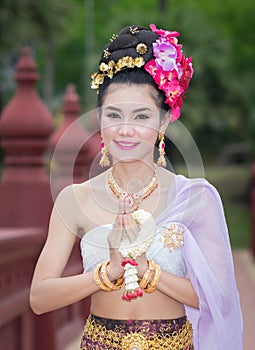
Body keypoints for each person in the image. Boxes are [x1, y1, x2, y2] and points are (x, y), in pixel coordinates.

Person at [30, 24, 243, 350]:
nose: (125, 131)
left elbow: (220, 298)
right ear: (99, 119)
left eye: (141, 117)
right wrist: (108, 272)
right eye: (114, 115)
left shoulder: (195, 197)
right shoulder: (74, 200)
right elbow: (39, 297)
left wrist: (148, 271)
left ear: (164, 121)